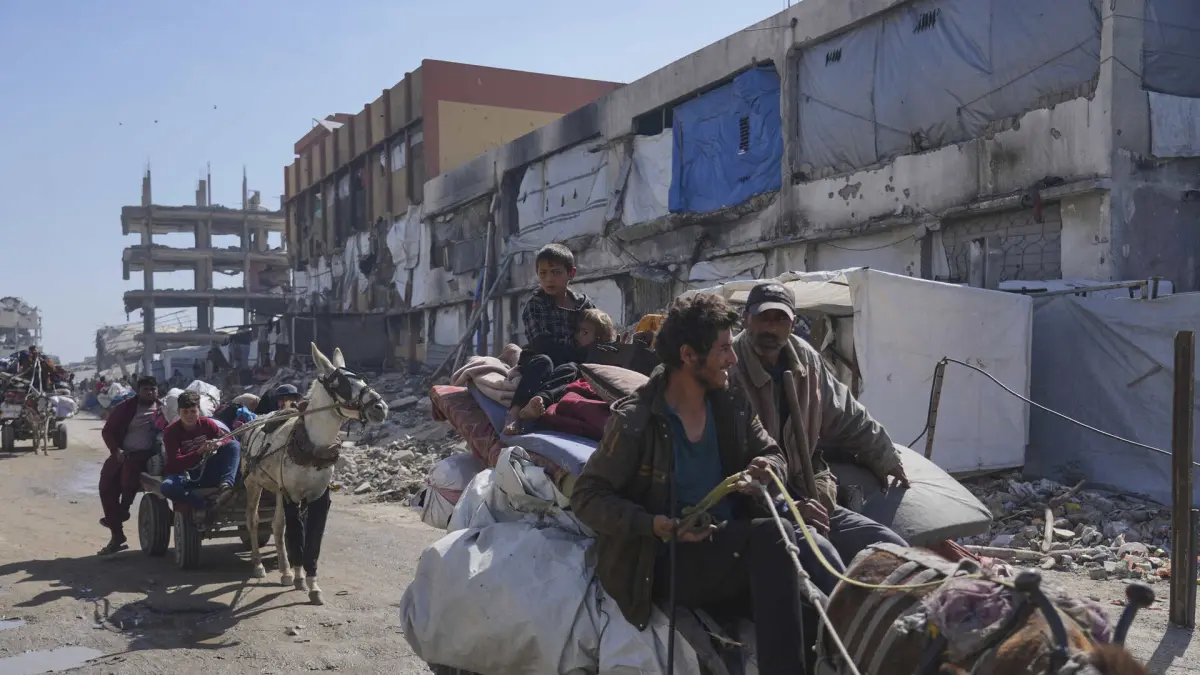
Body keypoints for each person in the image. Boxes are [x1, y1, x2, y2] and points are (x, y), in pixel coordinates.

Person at [571, 293, 814, 673]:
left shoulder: (730, 403)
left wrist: (767, 467)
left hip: (726, 546)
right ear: (688, 355)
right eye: (723, 349)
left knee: (815, 576)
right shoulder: (637, 421)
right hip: (663, 561)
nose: (733, 359)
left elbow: (772, 452)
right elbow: (587, 497)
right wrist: (652, 524)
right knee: (773, 537)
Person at [732, 281, 909, 565]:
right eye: (763, 318)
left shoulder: (806, 359)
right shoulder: (728, 365)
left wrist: (884, 455)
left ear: (792, 324)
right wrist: (787, 507)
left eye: (780, 319)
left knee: (890, 548)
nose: (770, 328)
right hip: (756, 501)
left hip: (806, 487)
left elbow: (846, 413)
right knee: (823, 559)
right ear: (746, 319)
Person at [504, 307, 616, 434]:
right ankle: (514, 413)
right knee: (545, 363)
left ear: (600, 338)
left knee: (570, 369)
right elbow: (539, 344)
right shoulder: (537, 305)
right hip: (538, 359)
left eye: (584, 333)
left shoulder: (600, 354)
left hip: (560, 374)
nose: (577, 336)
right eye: (578, 331)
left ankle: (538, 401)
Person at [97, 376, 161, 555]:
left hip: (148, 456)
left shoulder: (163, 408)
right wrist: (115, 450)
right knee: (106, 485)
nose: (150, 393)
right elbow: (108, 431)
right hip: (123, 453)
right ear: (138, 391)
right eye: (146, 389)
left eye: (153, 389)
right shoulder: (125, 408)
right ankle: (117, 533)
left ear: (157, 391)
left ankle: (123, 510)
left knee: (129, 473)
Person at [160, 390, 241, 525]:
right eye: (185, 412)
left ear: (199, 410)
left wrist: (218, 443)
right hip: (184, 475)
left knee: (234, 445)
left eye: (193, 411)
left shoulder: (207, 423)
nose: (189, 416)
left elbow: (226, 439)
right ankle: (202, 505)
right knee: (167, 487)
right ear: (179, 412)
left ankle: (226, 485)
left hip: (206, 471)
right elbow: (175, 463)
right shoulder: (171, 432)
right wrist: (199, 452)